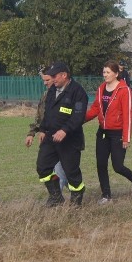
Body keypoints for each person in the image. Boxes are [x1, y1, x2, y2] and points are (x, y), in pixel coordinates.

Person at [85, 61, 132, 203]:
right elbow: (95, 109)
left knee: (118, 166)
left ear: (116, 74)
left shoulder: (124, 90)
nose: (105, 75)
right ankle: (106, 196)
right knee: (101, 164)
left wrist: (126, 138)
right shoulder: (101, 88)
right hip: (103, 133)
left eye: (108, 72)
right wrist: (78, 120)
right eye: (104, 72)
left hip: (117, 134)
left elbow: (127, 115)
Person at [37, 61, 88, 206]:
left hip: (70, 140)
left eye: (55, 76)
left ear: (64, 75)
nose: (52, 79)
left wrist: (65, 130)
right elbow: (48, 113)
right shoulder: (52, 90)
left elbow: (78, 116)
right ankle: (56, 197)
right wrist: (42, 129)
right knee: (42, 167)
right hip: (50, 137)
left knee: (72, 173)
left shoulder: (78, 92)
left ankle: (76, 202)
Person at [26, 72, 67, 193]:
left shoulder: (67, 93)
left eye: (47, 80)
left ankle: (57, 198)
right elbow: (40, 117)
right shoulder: (46, 95)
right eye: (43, 80)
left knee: (63, 170)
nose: (45, 83)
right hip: (49, 139)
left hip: (65, 140)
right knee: (47, 168)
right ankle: (57, 196)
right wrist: (32, 133)